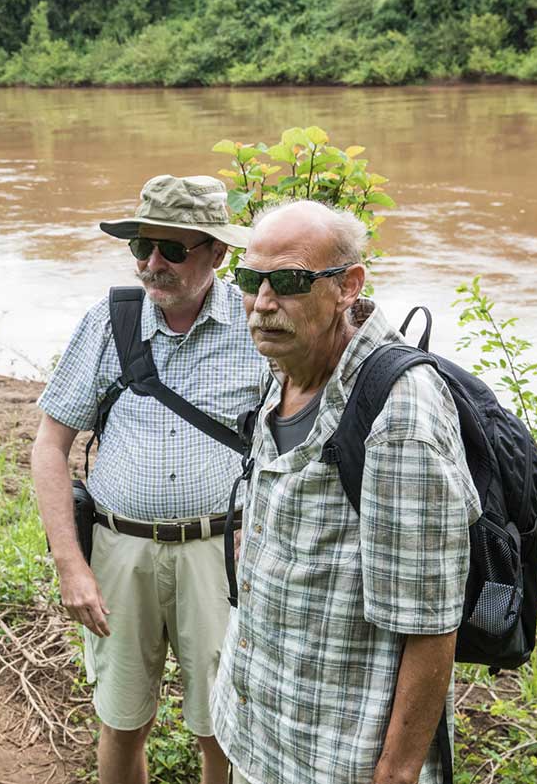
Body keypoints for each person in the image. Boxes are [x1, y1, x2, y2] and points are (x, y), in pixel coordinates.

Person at [211, 200, 479, 784]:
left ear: (347, 285)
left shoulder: (399, 411)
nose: (262, 302)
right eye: (250, 279)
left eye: (289, 281)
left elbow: (431, 621)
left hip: (340, 755)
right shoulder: (287, 363)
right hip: (260, 731)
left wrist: (398, 771)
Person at [31, 175, 266, 784]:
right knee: (121, 717)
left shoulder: (258, 327)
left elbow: (296, 447)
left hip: (222, 554)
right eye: (142, 248)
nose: (153, 264)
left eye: (173, 249)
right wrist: (71, 566)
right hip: (119, 550)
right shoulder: (110, 320)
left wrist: (265, 529)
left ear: (218, 253)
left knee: (224, 725)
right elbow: (50, 447)